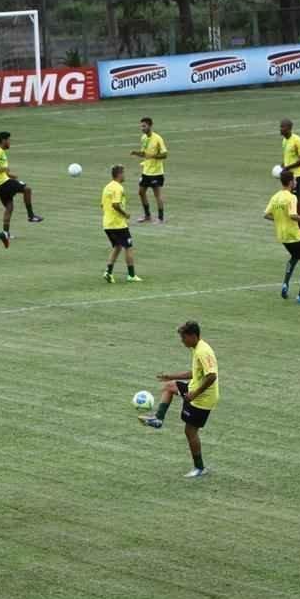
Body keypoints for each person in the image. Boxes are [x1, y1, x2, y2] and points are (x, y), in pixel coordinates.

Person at [139, 321, 219, 479]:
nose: (182, 341)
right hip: (194, 390)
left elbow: (212, 376)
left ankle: (199, 468)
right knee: (169, 386)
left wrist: (195, 394)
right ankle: (158, 419)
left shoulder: (203, 352)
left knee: (190, 431)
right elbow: (195, 373)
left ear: (192, 336)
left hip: (202, 398)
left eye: (183, 338)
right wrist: (172, 376)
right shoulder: (197, 348)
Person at [264, 169, 300, 304]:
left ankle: (285, 284)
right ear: (291, 182)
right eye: (295, 180)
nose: (296, 182)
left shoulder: (276, 196)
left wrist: (280, 220)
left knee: (295, 256)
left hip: (282, 236)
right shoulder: (291, 197)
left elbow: (266, 214)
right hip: (294, 235)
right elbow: (292, 215)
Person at [0, 131, 42, 235]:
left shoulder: (2, 153)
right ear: (4, 140)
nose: (10, 142)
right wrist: (0, 169)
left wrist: (10, 175)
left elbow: (1, 171)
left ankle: (6, 234)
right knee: (27, 189)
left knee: (9, 207)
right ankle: (31, 216)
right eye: (9, 140)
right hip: (2, 183)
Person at [101, 164, 140, 283]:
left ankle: (108, 271)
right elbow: (116, 204)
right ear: (119, 174)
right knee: (128, 247)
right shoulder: (118, 188)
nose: (124, 175)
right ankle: (131, 275)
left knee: (117, 247)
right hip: (118, 224)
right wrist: (125, 214)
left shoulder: (107, 187)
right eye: (123, 173)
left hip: (107, 224)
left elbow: (102, 205)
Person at [130, 117, 168, 223]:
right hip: (146, 171)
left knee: (157, 194)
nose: (142, 128)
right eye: (141, 126)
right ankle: (147, 216)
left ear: (150, 126)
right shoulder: (143, 138)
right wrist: (136, 153)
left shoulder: (158, 138)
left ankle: (160, 218)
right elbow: (144, 153)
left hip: (156, 172)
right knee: (141, 192)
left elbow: (165, 154)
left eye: (144, 126)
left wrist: (154, 156)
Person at [279, 118, 300, 228]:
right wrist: (283, 164)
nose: (281, 129)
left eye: (283, 127)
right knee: (291, 201)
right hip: (289, 175)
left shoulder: (297, 140)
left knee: (298, 200)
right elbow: (289, 157)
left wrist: (288, 167)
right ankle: (297, 225)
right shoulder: (284, 141)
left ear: (289, 128)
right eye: (280, 126)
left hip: (298, 175)